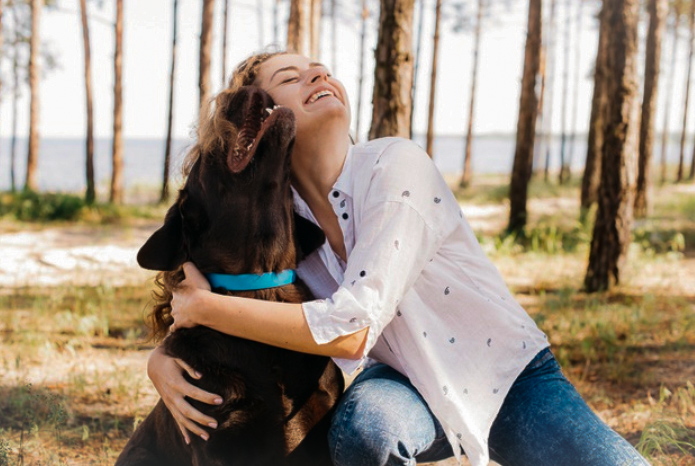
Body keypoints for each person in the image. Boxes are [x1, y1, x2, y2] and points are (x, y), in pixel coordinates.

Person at [146, 50, 649, 466]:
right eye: (290, 77)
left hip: (506, 376)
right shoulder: (281, 218)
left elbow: (353, 328)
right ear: (260, 113)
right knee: (367, 429)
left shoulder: (395, 165)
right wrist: (160, 359)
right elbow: (219, 282)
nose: (319, 74)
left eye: (320, 68)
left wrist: (206, 310)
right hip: (403, 383)